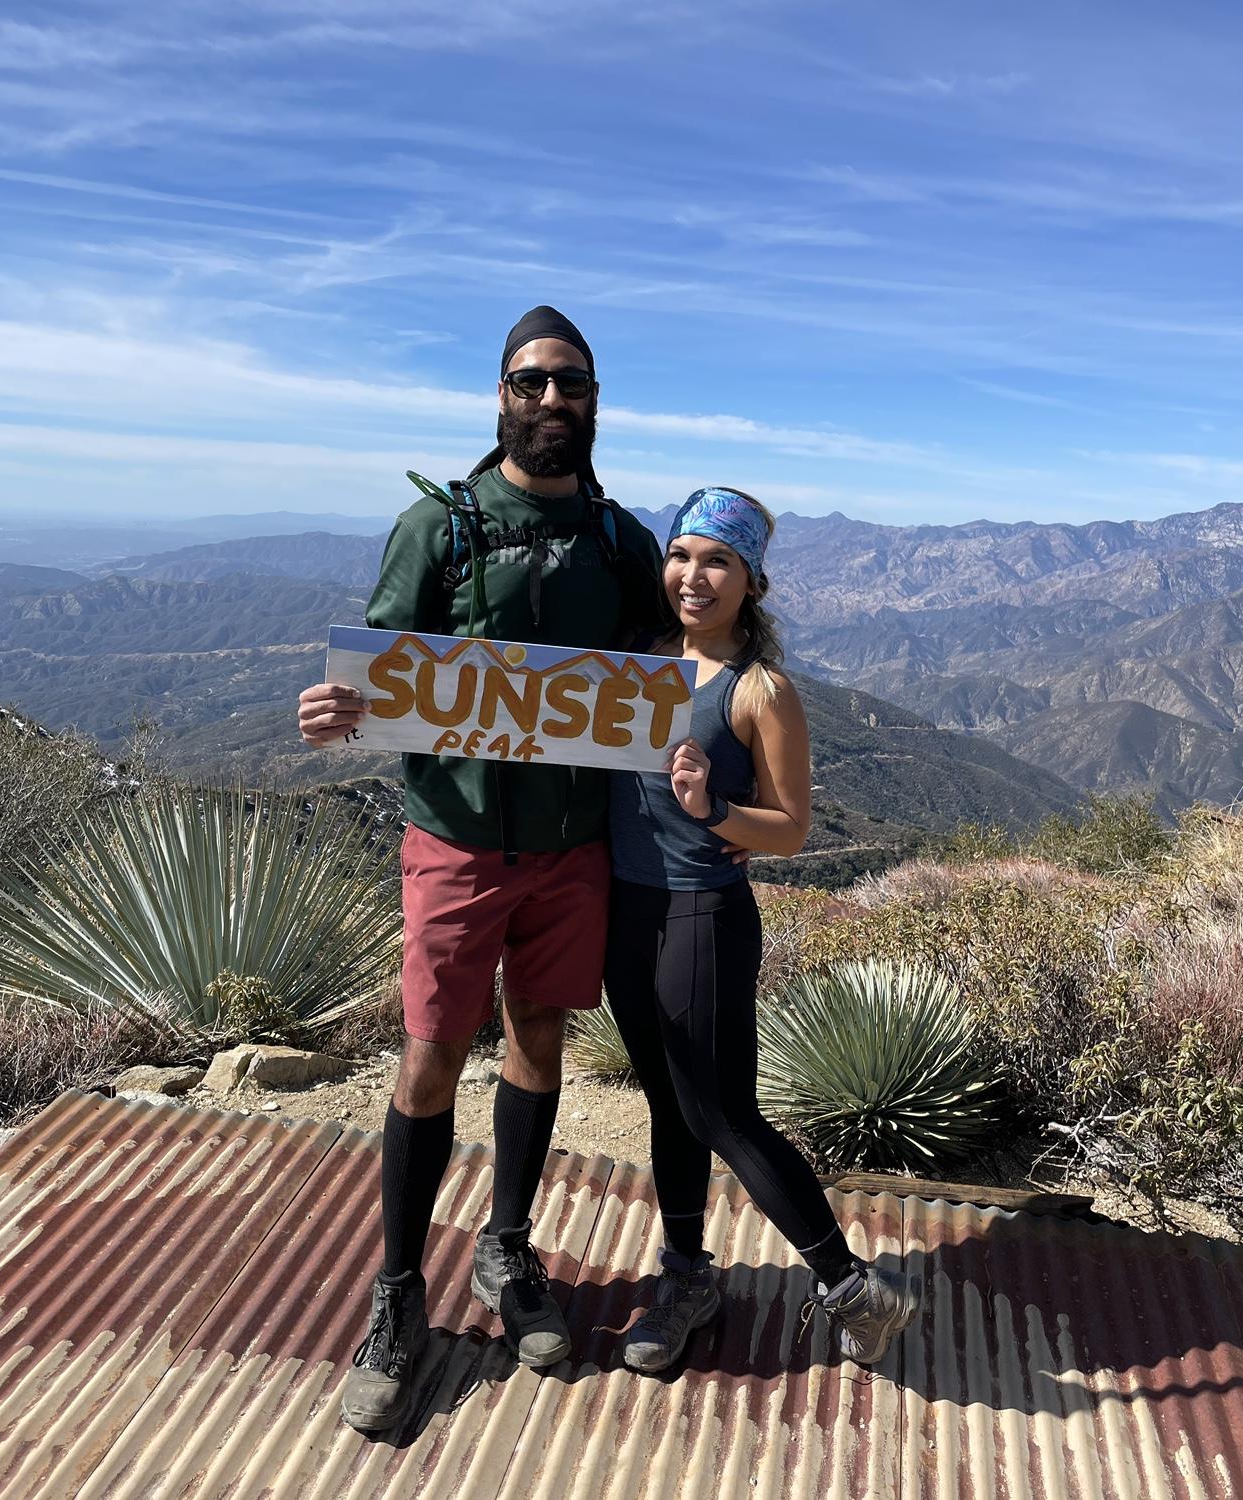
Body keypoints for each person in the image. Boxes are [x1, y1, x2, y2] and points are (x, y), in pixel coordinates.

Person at [298, 306, 663, 1433]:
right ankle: (398, 1295)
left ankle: (507, 1252)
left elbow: (662, 671)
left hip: (572, 849)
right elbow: (382, 672)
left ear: (594, 401)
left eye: (572, 383)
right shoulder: (438, 527)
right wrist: (338, 710)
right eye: (532, 381)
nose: (553, 400)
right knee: (429, 1057)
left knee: (538, 1038)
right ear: (500, 395)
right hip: (456, 843)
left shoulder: (622, 542)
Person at [604, 487, 916, 1374]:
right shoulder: (638, 660)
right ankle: (686, 1276)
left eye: (718, 562)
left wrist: (713, 809)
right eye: (681, 555)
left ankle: (853, 1289)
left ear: (751, 582)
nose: (693, 576)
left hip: (701, 913)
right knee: (669, 1103)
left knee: (721, 1113)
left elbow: (790, 829)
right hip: (626, 911)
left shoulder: (760, 690)